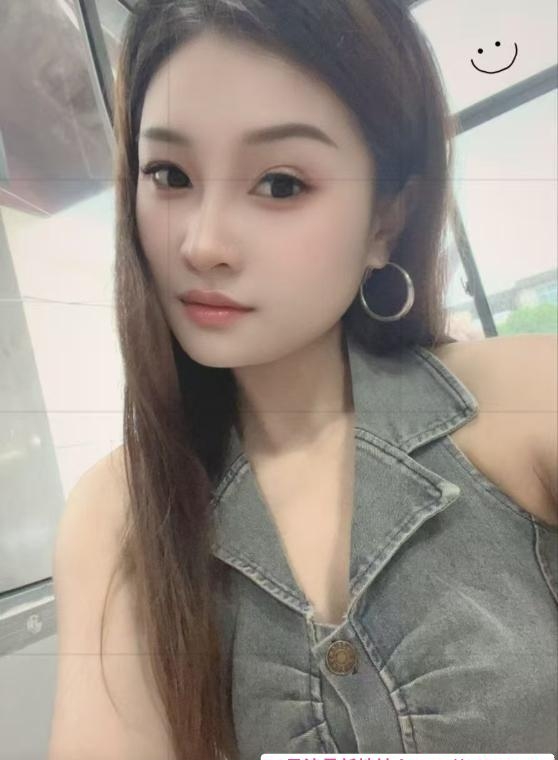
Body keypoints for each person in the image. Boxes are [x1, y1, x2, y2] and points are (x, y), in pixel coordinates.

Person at [101, 1, 557, 758]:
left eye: (280, 184)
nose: (203, 244)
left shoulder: (528, 400)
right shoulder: (117, 510)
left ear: (386, 220)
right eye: (169, 175)